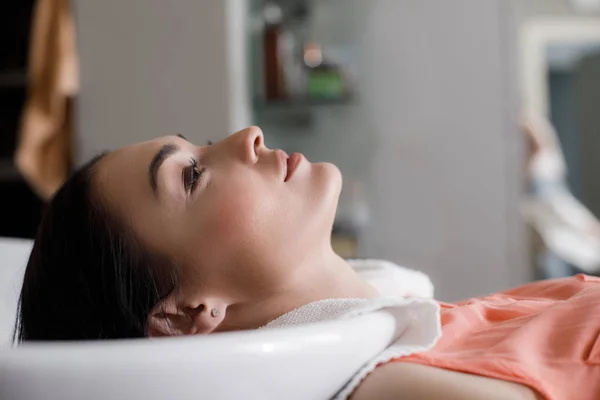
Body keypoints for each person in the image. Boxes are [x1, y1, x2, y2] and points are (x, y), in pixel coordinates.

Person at [14, 127, 600, 399]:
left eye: (198, 144)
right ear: (187, 312)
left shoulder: (436, 333)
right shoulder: (402, 390)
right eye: (192, 176)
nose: (247, 135)